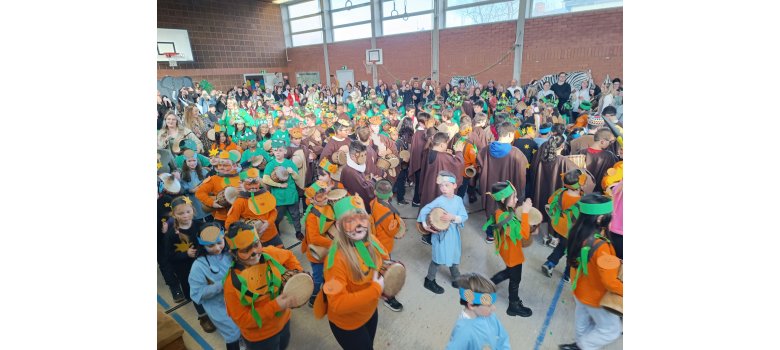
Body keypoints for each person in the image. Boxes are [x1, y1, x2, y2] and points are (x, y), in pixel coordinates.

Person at [317, 195, 390, 350]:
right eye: (349, 221)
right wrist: (376, 290)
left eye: (362, 219)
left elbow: (385, 260)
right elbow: (337, 304)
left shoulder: (372, 241)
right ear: (338, 225)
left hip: (370, 311)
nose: (358, 225)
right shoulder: (335, 260)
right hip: (348, 324)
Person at [223, 222, 304, 350]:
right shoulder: (232, 284)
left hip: (284, 323)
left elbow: (288, 256)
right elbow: (243, 320)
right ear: (233, 253)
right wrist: (276, 306)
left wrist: (296, 274)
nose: (254, 252)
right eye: (245, 250)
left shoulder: (270, 253)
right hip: (260, 338)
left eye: (256, 244)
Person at [558, 194, 623, 350]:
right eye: (610, 215)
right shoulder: (602, 247)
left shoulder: (577, 233)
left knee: (582, 323)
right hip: (596, 297)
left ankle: (580, 344)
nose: (612, 217)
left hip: (579, 291)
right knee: (611, 330)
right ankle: (582, 346)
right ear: (600, 219)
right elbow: (609, 282)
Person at [164, 196, 217, 333]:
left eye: (188, 212)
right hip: (186, 270)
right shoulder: (172, 234)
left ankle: (214, 311)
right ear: (174, 215)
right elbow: (168, 256)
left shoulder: (200, 225)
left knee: (210, 289)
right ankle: (203, 317)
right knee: (196, 293)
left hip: (204, 267)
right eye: (180, 213)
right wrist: (185, 254)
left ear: (193, 210)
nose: (185, 216)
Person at [482, 181, 534, 317]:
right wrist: (526, 213)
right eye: (514, 197)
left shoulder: (503, 211)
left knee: (509, 272)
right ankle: (513, 305)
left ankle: (490, 283)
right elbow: (524, 234)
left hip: (508, 251)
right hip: (513, 253)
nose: (517, 199)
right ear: (504, 199)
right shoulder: (504, 216)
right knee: (515, 279)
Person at [188, 223, 242, 350]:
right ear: (202, 245)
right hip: (220, 307)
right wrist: (221, 285)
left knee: (245, 329)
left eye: (220, 242)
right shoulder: (199, 265)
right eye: (211, 245)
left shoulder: (231, 253)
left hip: (240, 302)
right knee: (233, 334)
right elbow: (196, 293)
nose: (217, 248)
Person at [477, 121, 529, 243]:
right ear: (510, 135)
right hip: (508, 191)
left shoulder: (486, 149)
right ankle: (505, 234)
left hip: (491, 188)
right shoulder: (516, 153)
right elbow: (522, 175)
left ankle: (490, 234)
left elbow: (479, 164)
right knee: (506, 211)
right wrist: (520, 193)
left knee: (491, 209)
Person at [417, 171, 468, 294]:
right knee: (437, 258)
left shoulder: (458, 200)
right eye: (441, 186)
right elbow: (424, 210)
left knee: (454, 255)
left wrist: (453, 217)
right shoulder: (439, 201)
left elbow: (464, 216)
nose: (443, 189)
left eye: (447, 185)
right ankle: (429, 280)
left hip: (453, 235)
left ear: (455, 186)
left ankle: (456, 278)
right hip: (440, 236)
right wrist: (425, 225)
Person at [541, 169, 588, 281]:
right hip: (573, 231)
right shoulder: (581, 201)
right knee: (573, 252)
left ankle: (550, 263)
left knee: (562, 246)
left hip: (560, 226)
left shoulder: (560, 192)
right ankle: (568, 274)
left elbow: (550, 200)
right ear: (580, 184)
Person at [445, 273, 511, 350]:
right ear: (472, 305)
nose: (494, 308)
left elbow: (503, 338)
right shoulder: (463, 332)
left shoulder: (490, 316)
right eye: (489, 305)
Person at [369, 180, 405, 312]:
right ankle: (388, 297)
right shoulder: (387, 213)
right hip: (383, 246)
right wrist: (396, 221)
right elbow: (393, 231)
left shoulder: (374, 203)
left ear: (375, 192)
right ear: (391, 194)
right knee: (385, 271)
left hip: (375, 240)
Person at [225, 168, 283, 247]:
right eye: (249, 184)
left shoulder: (266, 194)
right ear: (241, 183)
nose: (253, 187)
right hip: (256, 241)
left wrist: (268, 223)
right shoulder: (240, 201)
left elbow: (273, 211)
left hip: (273, 234)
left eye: (256, 183)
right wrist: (245, 229)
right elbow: (229, 224)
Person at [263, 139, 302, 241]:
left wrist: (292, 172)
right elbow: (265, 179)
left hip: (291, 195)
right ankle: (276, 230)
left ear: (285, 151)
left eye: (280, 150)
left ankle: (298, 231)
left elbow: (298, 178)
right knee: (277, 217)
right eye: (275, 150)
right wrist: (278, 185)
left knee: (296, 215)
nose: (277, 153)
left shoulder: (290, 163)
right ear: (273, 152)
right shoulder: (270, 164)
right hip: (278, 198)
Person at [419, 132, 465, 212]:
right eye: (446, 143)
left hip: (429, 185)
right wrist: (459, 152)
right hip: (438, 188)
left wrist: (447, 155)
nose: (447, 146)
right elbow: (458, 163)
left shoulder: (428, 152)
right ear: (442, 145)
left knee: (429, 203)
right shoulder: (442, 157)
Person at [196, 151, 242, 225]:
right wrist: (211, 203)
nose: (222, 167)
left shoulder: (242, 178)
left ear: (234, 166)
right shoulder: (214, 179)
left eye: (226, 165)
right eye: (220, 165)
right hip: (222, 218)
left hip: (240, 217)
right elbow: (199, 192)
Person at [339, 141, 378, 213]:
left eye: (365, 154)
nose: (365, 158)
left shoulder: (356, 164)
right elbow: (363, 190)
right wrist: (373, 181)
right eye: (362, 156)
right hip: (355, 205)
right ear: (353, 156)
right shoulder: (350, 172)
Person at [576, 128, 619, 193]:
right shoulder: (609, 156)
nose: (610, 144)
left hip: (583, 191)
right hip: (601, 193)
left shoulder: (581, 152)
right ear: (602, 141)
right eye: (609, 142)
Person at [177, 150, 211, 222]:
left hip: (204, 200)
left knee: (209, 217)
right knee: (197, 219)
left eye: (194, 160)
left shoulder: (203, 171)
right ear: (185, 162)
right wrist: (194, 189)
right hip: (193, 201)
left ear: (197, 160)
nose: (192, 163)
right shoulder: (183, 174)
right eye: (189, 161)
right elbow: (187, 189)